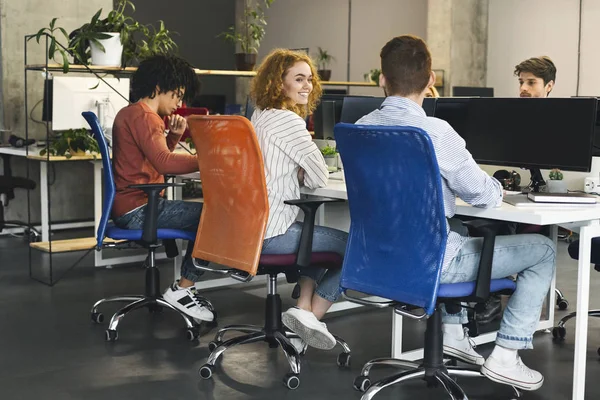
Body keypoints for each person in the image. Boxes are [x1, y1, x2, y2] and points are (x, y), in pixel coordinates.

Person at [356, 35, 556, 391]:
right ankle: (507, 353)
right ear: (431, 80)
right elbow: (482, 195)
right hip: (431, 262)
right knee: (544, 251)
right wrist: (497, 185)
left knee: (457, 225)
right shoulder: (435, 131)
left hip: (378, 259)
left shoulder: (361, 129)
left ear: (382, 79)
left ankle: (452, 332)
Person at [249, 49, 348, 354]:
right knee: (356, 246)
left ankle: (303, 305)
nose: (307, 86)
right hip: (273, 235)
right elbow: (318, 177)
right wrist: (306, 166)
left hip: (249, 232)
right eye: (299, 79)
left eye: (310, 79)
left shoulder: (260, 116)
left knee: (313, 234)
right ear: (279, 84)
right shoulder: (289, 122)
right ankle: (311, 316)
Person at [111, 55, 214, 323]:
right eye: (177, 95)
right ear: (158, 87)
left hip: (131, 205)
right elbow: (163, 162)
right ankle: (184, 288)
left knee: (204, 216)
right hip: (140, 209)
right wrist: (213, 159)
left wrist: (173, 137)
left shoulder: (131, 113)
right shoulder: (146, 117)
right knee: (215, 216)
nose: (180, 103)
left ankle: (185, 286)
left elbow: (150, 161)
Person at [477, 55, 558, 325]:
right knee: (485, 222)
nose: (523, 88)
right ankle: (489, 297)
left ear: (549, 86)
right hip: (510, 194)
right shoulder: (509, 118)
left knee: (519, 231)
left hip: (543, 199)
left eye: (531, 82)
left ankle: (520, 304)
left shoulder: (562, 124)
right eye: (521, 82)